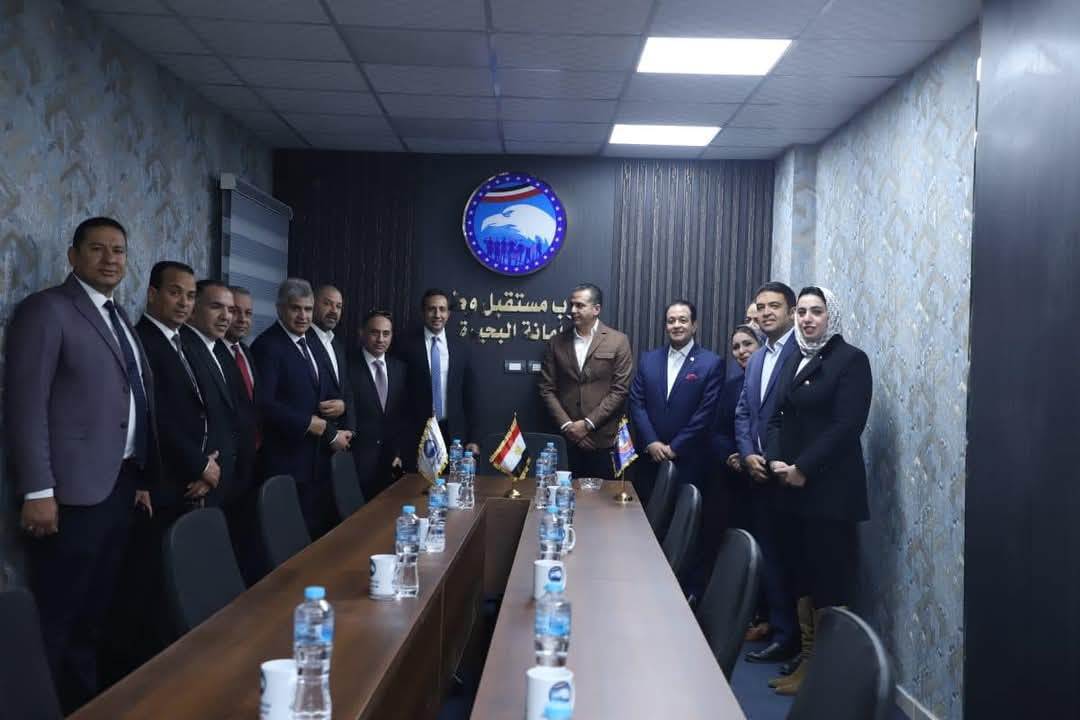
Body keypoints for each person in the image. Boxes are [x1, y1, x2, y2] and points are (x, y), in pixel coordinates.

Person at [4, 217, 158, 711]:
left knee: (95, 616)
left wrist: (139, 475)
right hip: (67, 495)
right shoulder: (48, 309)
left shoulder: (119, 316)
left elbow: (130, 402)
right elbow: (25, 406)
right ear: (73, 256)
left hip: (117, 487)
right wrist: (37, 490)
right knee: (57, 618)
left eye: (119, 250)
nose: (111, 259)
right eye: (97, 249)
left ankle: (83, 705)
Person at [765, 286, 872, 696]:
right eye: (803, 312)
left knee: (829, 580)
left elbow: (847, 426)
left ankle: (828, 676)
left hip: (830, 492)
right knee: (802, 576)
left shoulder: (851, 360)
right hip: (791, 488)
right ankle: (808, 662)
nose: (808, 319)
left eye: (817, 311)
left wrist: (804, 467)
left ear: (832, 315)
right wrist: (776, 460)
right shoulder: (795, 357)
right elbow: (777, 417)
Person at [251, 279, 352, 538]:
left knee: (315, 535)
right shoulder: (267, 346)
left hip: (317, 462)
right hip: (286, 461)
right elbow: (264, 404)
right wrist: (308, 423)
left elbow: (324, 391)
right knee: (288, 540)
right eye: (295, 308)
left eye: (308, 309)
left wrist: (339, 409)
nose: (303, 316)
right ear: (279, 309)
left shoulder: (311, 343)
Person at [735, 282, 802, 668]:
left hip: (789, 475)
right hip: (757, 474)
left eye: (774, 306)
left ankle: (798, 642)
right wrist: (747, 454)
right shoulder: (759, 356)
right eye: (760, 307)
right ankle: (781, 633)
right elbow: (744, 412)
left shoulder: (802, 351)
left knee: (794, 560)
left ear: (791, 311)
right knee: (770, 558)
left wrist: (772, 458)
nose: (765, 313)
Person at [628, 299, 724, 503]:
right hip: (649, 458)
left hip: (689, 460)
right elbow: (637, 402)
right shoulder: (649, 359)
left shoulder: (711, 363)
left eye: (683, 320)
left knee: (683, 517)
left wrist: (675, 447)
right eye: (671, 321)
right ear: (666, 326)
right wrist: (651, 442)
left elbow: (706, 412)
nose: (676, 325)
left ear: (694, 325)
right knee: (644, 515)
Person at [539, 283, 633, 479]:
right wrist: (569, 427)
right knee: (563, 494)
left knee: (602, 497)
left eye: (580, 305)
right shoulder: (556, 342)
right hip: (566, 441)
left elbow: (620, 390)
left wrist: (588, 424)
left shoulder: (618, 341)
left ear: (596, 309)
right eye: (571, 305)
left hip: (602, 440)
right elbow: (547, 389)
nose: (573, 310)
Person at [401, 288, 478, 459]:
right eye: (432, 309)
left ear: (448, 314)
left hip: (454, 434)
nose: (437, 315)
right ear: (423, 312)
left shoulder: (461, 348)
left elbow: (470, 395)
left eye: (442, 309)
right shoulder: (406, 346)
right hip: (417, 433)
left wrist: (473, 438)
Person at [350, 311, 406, 499]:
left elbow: (402, 415)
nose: (381, 339)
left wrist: (399, 451)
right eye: (374, 332)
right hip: (356, 462)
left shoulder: (400, 369)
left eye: (386, 333)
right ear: (362, 333)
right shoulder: (347, 366)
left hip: (391, 463)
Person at [308, 284, 356, 435]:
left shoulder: (337, 345)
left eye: (338, 306)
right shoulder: (302, 341)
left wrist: (349, 429)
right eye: (327, 303)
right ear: (312, 304)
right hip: (313, 435)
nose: (334, 310)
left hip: (338, 436)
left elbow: (346, 389)